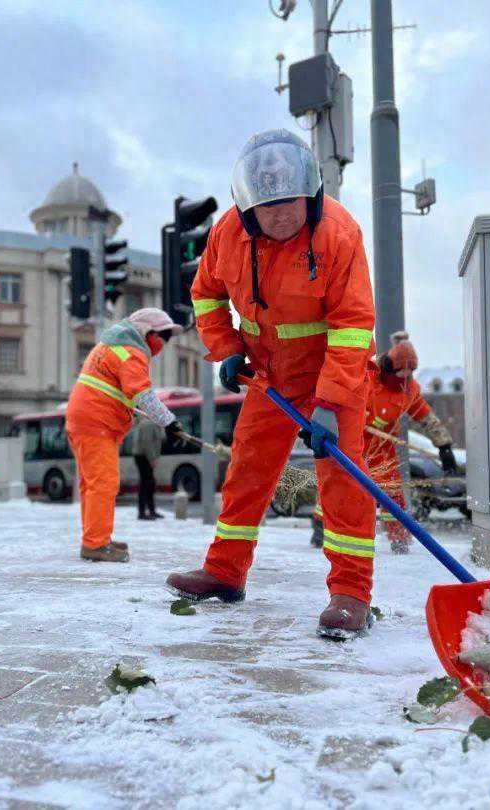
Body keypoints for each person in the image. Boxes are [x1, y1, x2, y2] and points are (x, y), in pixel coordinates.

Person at [166, 129, 378, 639]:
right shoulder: (227, 235)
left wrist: (329, 403)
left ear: (310, 195)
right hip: (269, 378)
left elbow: (352, 327)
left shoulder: (339, 235)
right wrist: (227, 348)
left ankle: (351, 594)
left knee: (343, 482)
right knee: (247, 472)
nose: (281, 216)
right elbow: (206, 294)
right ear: (247, 208)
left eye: (290, 204)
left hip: (333, 375)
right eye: (268, 208)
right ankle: (225, 572)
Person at [311, 332, 457, 554]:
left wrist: (444, 446)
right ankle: (321, 526)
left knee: (393, 494)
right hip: (353, 442)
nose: (404, 376)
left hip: (383, 451)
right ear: (390, 367)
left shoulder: (409, 390)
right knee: (340, 486)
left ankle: (399, 539)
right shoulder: (368, 377)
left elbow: (427, 418)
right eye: (400, 371)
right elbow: (342, 397)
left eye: (410, 371)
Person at [65, 308, 185, 562]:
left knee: (93, 484)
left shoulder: (114, 347)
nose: (164, 343)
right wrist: (169, 422)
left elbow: (117, 394)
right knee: (103, 483)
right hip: (96, 422)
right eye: (163, 336)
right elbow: (143, 394)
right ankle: (96, 544)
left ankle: (96, 538)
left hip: (87, 419)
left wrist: (138, 416)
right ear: (147, 332)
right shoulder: (130, 352)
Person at [127, 418, 165, 520]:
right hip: (143, 456)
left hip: (146, 456)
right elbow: (147, 443)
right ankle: (142, 512)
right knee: (145, 483)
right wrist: (152, 458)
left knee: (150, 483)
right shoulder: (148, 424)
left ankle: (151, 510)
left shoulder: (154, 423)